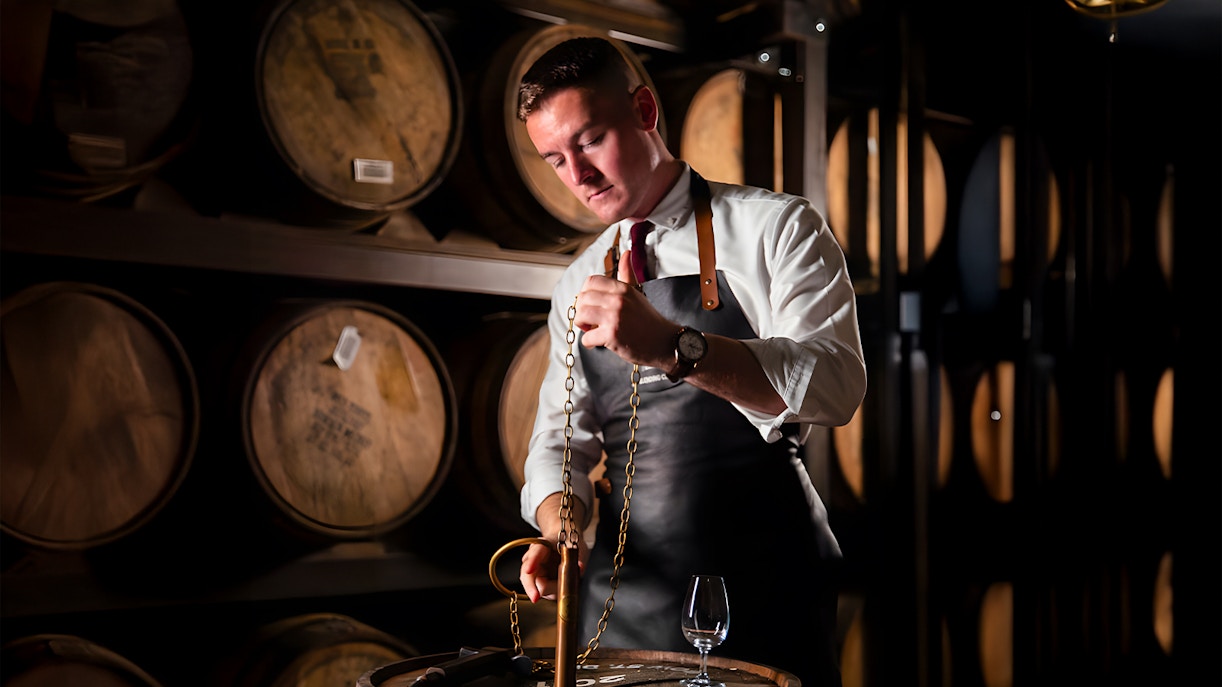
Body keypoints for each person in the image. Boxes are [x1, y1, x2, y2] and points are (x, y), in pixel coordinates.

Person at [515, 36, 866, 687]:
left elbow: (836, 384)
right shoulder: (577, 280)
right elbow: (561, 439)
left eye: (590, 141)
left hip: (763, 589)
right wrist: (560, 527)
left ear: (645, 109)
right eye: (555, 159)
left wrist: (674, 346)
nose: (578, 176)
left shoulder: (776, 228)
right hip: (625, 601)